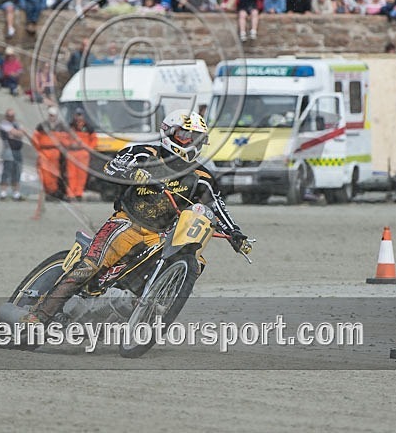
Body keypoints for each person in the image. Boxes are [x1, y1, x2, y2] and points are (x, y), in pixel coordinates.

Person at [19, 109, 251, 325]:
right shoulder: (144, 152)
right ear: (169, 132)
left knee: (196, 263)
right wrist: (133, 172)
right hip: (127, 223)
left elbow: (217, 205)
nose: (191, 142)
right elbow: (111, 167)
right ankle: (39, 315)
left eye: (197, 138)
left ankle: (147, 307)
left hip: (160, 236)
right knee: (90, 265)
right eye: (185, 135)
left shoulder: (202, 176)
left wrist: (235, 233)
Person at [63, 108, 96, 201]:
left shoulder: (89, 127)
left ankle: (78, 193)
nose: (78, 117)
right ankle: (70, 194)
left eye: (80, 115)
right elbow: (64, 138)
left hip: (83, 153)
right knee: (71, 174)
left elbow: (94, 140)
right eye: (77, 115)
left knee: (82, 175)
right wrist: (69, 144)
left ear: (83, 116)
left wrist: (89, 148)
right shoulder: (70, 127)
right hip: (72, 152)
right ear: (74, 116)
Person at [32, 106, 64, 199]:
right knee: (44, 172)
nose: (52, 117)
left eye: (53, 115)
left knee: (54, 173)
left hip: (55, 152)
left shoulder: (61, 126)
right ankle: (48, 191)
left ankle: (53, 192)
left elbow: (65, 139)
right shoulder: (41, 126)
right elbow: (35, 138)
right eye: (50, 115)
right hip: (44, 151)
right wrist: (38, 149)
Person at [0, 108, 28, 201]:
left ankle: (16, 193)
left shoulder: (16, 123)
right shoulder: (4, 123)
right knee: (7, 172)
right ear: (6, 116)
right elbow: (17, 133)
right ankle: (3, 193)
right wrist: (18, 132)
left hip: (18, 150)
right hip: (8, 150)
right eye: (9, 116)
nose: (11, 118)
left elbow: (22, 132)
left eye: (13, 116)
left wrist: (18, 133)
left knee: (17, 172)